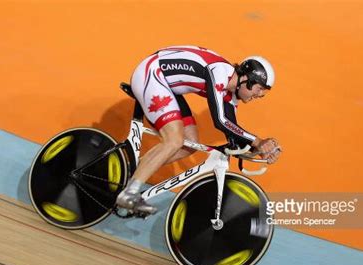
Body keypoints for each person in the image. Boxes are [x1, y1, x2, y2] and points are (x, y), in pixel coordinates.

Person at [116, 45, 281, 215]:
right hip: (151, 74)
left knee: (190, 144)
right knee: (174, 140)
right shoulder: (219, 72)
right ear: (246, 79)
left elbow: (232, 131)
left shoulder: (231, 93)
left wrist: (258, 150)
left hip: (166, 85)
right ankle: (130, 193)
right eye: (260, 89)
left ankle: (133, 172)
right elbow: (220, 121)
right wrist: (258, 141)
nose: (260, 95)